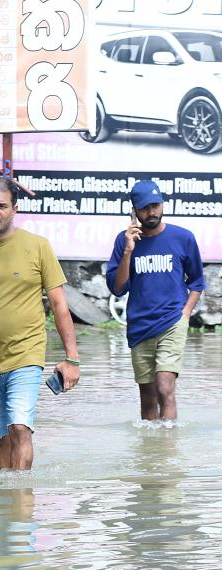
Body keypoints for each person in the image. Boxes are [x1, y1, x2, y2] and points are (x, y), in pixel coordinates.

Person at [0, 175, 80, 470]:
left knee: (20, 427)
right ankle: (7, 495)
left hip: (26, 355)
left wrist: (72, 357)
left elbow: (59, 305)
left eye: (2, 206)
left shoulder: (38, 247)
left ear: (14, 209)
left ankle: (21, 497)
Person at [106, 179, 204, 422]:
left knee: (164, 386)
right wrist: (128, 250)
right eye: (145, 208)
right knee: (148, 397)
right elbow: (118, 288)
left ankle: (168, 443)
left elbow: (197, 282)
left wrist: (185, 313)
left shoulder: (183, 237)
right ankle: (150, 445)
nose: (151, 212)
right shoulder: (123, 241)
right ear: (134, 211)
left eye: (155, 206)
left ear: (162, 205)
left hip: (172, 321)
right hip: (140, 325)